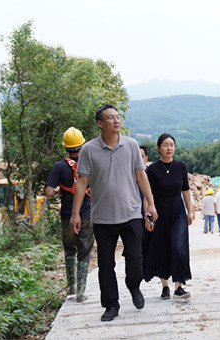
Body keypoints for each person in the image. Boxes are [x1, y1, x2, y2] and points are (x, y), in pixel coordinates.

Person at [70, 104, 158, 322]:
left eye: (118, 117)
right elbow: (81, 182)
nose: (117, 121)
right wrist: (75, 213)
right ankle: (111, 304)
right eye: (111, 118)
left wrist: (150, 203)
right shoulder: (89, 149)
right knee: (106, 264)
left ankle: (134, 286)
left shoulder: (131, 145)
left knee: (136, 259)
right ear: (100, 124)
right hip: (102, 217)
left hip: (130, 215)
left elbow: (141, 176)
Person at [45, 127, 94, 303]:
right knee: (85, 251)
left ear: (66, 147)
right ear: (82, 144)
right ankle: (81, 292)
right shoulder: (90, 163)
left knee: (69, 250)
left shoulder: (59, 166)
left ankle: (71, 289)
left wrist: (59, 188)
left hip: (67, 214)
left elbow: (49, 192)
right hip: (87, 213)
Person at [143, 133, 194, 300]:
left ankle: (179, 285)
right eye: (165, 145)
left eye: (171, 144)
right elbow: (147, 194)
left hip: (178, 212)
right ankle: (165, 286)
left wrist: (190, 209)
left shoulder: (181, 167)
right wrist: (147, 216)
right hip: (159, 212)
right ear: (158, 148)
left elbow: (185, 190)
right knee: (163, 247)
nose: (169, 148)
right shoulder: (152, 169)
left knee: (178, 246)